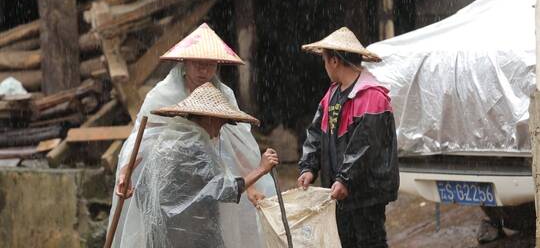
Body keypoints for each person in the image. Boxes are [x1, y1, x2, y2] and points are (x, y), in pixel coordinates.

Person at [108, 23, 275, 247]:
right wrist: (125, 174)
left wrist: (252, 187)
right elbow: (142, 141)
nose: (203, 71)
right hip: (173, 185)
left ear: (217, 65)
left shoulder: (224, 96)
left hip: (208, 189)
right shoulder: (163, 96)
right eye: (197, 64)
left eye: (209, 65)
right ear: (184, 62)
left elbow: (238, 145)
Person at [120, 82, 279, 248]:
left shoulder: (169, 140)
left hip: (162, 233)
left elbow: (143, 194)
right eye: (221, 123)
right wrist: (261, 169)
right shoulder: (195, 147)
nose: (220, 130)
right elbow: (225, 190)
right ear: (211, 119)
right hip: (189, 236)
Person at [297, 27, 399, 248]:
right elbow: (316, 132)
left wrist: (345, 179)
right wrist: (309, 167)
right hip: (338, 193)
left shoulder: (372, 96)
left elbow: (366, 147)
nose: (324, 66)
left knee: (370, 243)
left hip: (366, 194)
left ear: (334, 61)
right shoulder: (332, 94)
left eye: (325, 60)